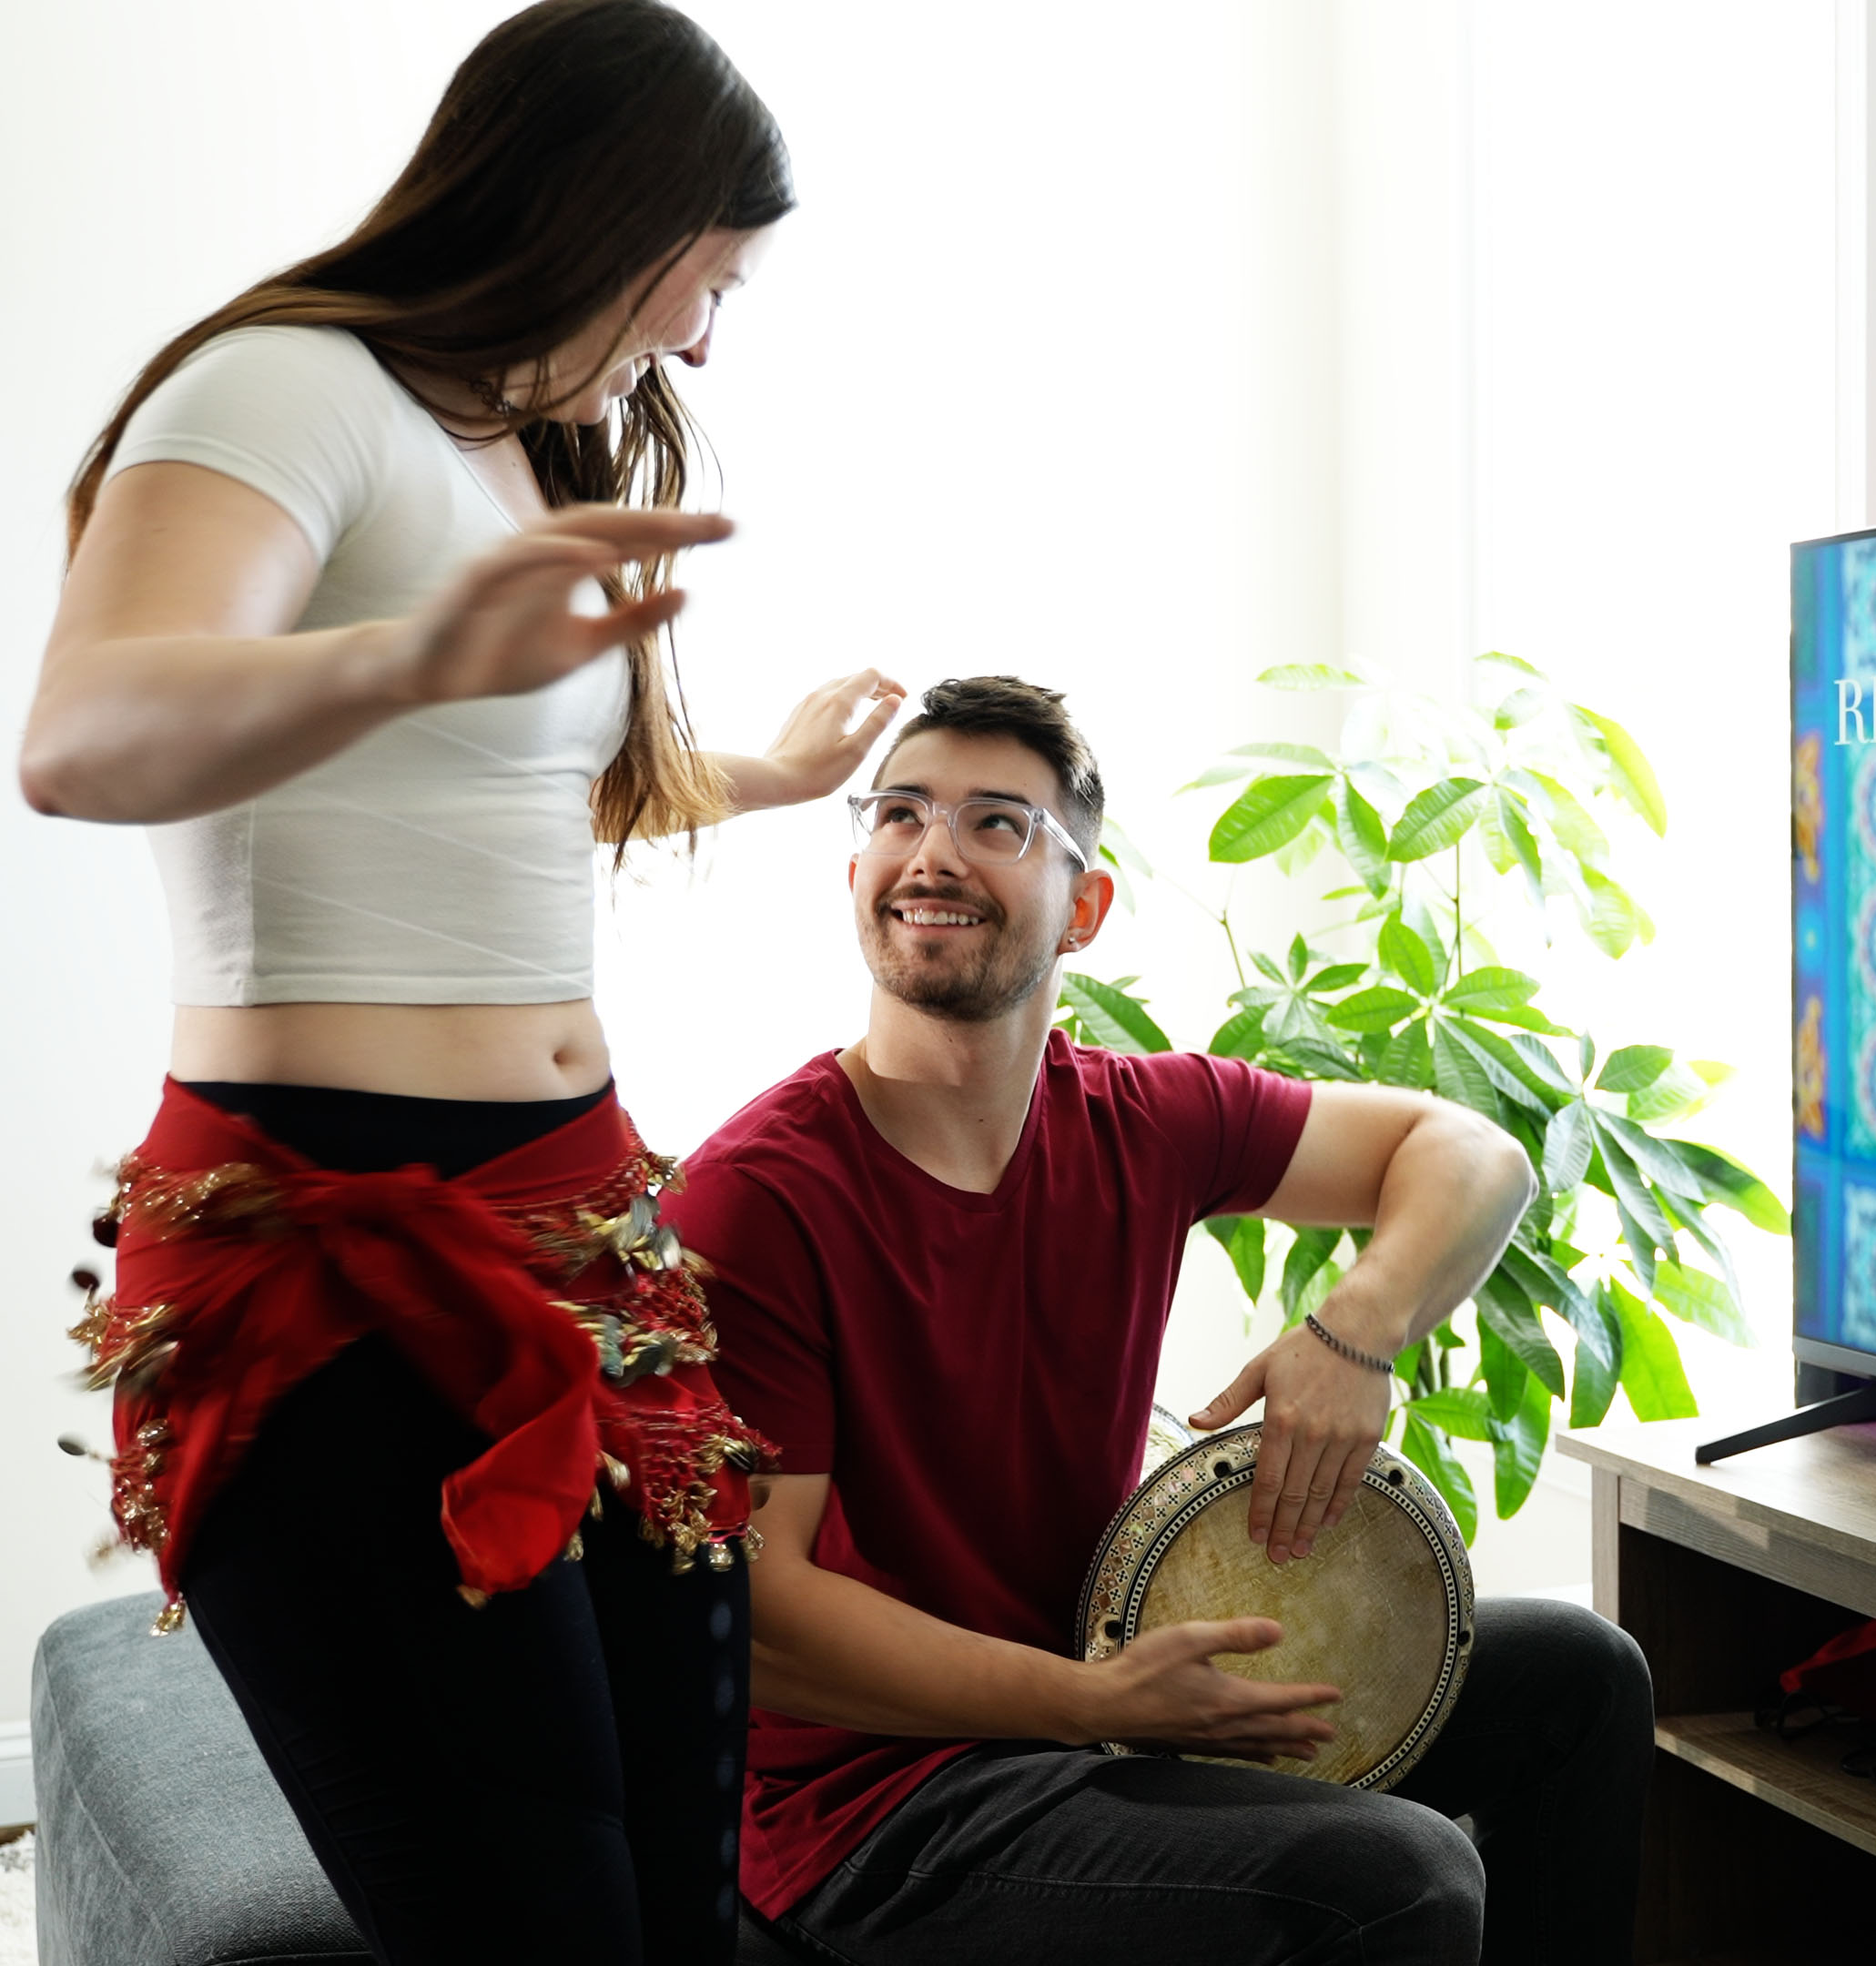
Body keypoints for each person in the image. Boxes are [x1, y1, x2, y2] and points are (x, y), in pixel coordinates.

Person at [20, 5, 901, 1960]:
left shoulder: (513, 446)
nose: (697, 336)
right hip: (333, 1242)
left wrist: (767, 776)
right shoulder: (278, 390)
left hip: (581, 1219)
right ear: (617, 208)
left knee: (687, 1872)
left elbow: (475, 795)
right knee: (534, 1913)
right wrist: (412, 660)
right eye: (708, 278)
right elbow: (83, 734)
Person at [667, 675, 1655, 1965]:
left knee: (1582, 1680)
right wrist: (1089, 1702)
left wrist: (1359, 1328)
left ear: (1085, 908)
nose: (933, 852)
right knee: (1398, 1877)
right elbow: (766, 1622)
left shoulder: (1143, 1117)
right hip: (877, 1804)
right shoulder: (756, 1197)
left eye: (996, 823)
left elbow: (1475, 1156)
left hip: (1101, 1697)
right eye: (900, 813)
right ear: (858, 866)